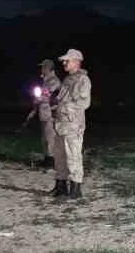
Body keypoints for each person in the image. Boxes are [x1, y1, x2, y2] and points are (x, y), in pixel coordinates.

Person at [50, 48, 91, 199]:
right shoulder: (67, 79)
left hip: (73, 124)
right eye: (64, 61)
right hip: (61, 123)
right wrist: (55, 104)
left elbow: (84, 103)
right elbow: (62, 99)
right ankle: (61, 186)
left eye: (67, 60)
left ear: (76, 61)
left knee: (73, 156)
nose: (64, 63)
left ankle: (75, 189)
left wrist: (64, 108)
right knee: (59, 155)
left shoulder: (82, 80)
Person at [23, 59, 62, 168]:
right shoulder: (46, 81)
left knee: (50, 137)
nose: (41, 69)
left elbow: (46, 96)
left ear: (47, 68)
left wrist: (38, 99)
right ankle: (47, 159)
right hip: (45, 113)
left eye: (43, 67)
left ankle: (52, 161)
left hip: (51, 114)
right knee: (45, 138)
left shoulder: (53, 81)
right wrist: (34, 110)